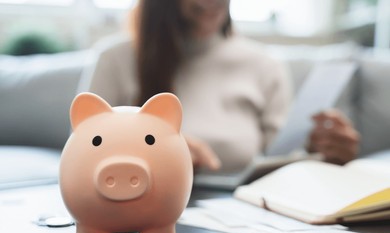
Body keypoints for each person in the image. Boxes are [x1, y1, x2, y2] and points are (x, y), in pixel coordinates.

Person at [80, 0, 359, 173]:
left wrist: (323, 154)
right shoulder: (115, 59)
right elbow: (82, 154)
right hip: (142, 209)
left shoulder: (264, 65)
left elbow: (280, 159)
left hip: (240, 212)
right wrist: (158, 150)